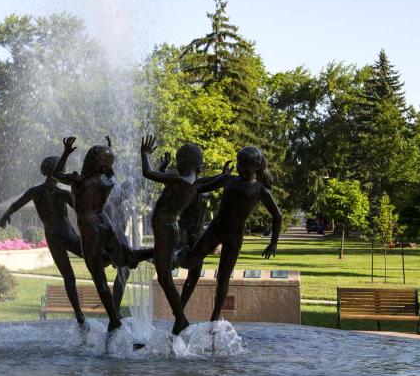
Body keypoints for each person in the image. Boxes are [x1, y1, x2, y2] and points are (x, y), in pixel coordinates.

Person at [52, 137, 151, 332]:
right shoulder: (108, 180)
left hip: (90, 228)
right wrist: (110, 151)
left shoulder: (77, 180)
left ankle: (114, 319)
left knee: (98, 276)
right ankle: (154, 253)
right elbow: (109, 169)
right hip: (105, 223)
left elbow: (55, 174)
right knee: (123, 259)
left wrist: (65, 152)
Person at [177, 146, 282, 321]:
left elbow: (277, 216)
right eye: (239, 164)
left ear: (255, 167)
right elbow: (199, 187)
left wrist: (273, 242)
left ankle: (215, 319)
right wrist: (212, 176)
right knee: (189, 262)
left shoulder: (260, 191)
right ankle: (178, 307)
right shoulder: (228, 179)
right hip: (215, 231)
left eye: (244, 166)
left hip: (234, 238)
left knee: (223, 278)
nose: (239, 168)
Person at [140, 135, 230, 334]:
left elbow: (147, 172)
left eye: (178, 163)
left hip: (172, 232)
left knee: (167, 275)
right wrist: (223, 176)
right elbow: (211, 182)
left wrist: (145, 154)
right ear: (198, 165)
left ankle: (180, 318)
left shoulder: (179, 180)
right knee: (172, 273)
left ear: (182, 163)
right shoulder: (195, 183)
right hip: (179, 233)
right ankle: (179, 316)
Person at [0, 156, 87, 325]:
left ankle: (79, 314)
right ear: (58, 172)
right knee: (96, 259)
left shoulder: (35, 191)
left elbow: (16, 204)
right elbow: (83, 209)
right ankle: (120, 259)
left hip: (51, 235)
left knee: (68, 276)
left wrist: (5, 216)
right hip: (66, 231)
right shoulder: (62, 193)